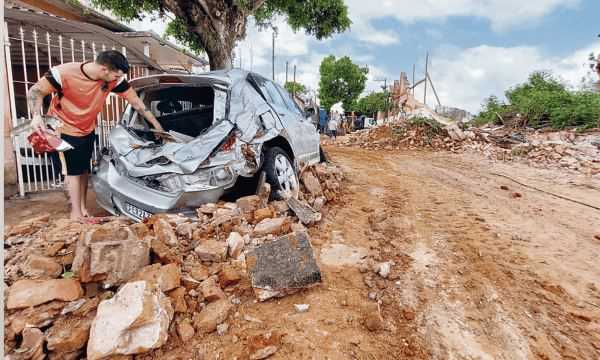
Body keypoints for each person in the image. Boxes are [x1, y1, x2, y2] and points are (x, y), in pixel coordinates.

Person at [28, 50, 164, 223]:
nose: (118, 78)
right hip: (63, 129)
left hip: (87, 129)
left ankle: (83, 209)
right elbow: (36, 91)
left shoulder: (113, 80)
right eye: (116, 74)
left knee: (84, 170)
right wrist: (36, 115)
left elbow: (136, 102)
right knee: (72, 172)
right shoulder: (64, 73)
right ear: (104, 70)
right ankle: (75, 215)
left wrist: (156, 125)